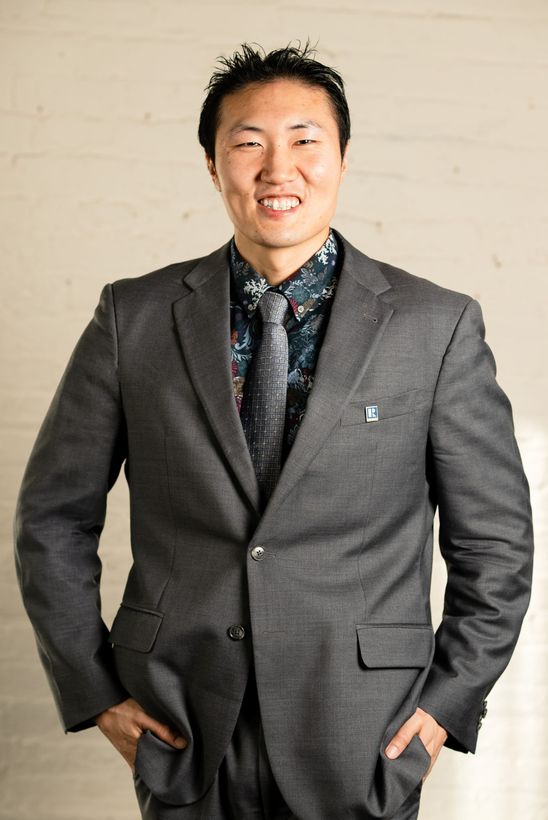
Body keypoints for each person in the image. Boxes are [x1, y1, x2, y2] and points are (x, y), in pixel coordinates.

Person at [14, 42, 534, 820]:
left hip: (367, 731)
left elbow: (495, 540)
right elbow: (52, 518)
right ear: (213, 164)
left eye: (304, 141)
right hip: (183, 724)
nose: (277, 168)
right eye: (248, 143)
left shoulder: (436, 326)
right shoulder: (135, 318)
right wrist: (96, 693)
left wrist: (449, 703)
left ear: (344, 158)